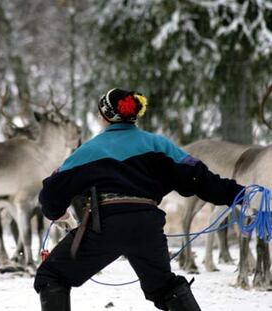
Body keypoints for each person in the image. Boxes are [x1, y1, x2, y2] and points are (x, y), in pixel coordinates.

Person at [33, 88, 245, 311]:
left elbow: (50, 192)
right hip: (148, 226)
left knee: (51, 275)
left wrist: (59, 214)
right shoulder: (158, 144)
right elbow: (200, 178)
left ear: (105, 116)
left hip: (105, 226)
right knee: (165, 288)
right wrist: (240, 195)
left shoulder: (89, 150)